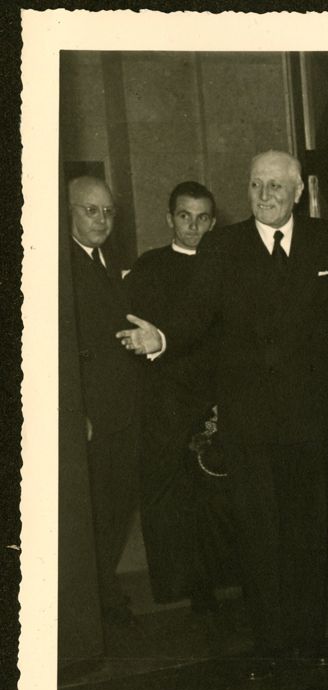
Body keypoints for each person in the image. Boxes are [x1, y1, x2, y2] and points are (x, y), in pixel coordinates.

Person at [117, 151, 328, 676]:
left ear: (299, 191)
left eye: (277, 185)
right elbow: (195, 317)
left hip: (313, 418)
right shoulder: (224, 246)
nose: (266, 194)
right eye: (256, 184)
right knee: (259, 535)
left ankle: (308, 639)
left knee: (306, 533)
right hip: (249, 422)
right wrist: (161, 337)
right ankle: (272, 646)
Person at [123, 181, 223, 613]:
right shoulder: (150, 266)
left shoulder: (226, 263)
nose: (193, 227)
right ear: (169, 218)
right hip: (166, 392)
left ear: (213, 222)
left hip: (215, 390)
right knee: (171, 492)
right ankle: (182, 584)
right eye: (185, 216)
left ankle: (220, 579)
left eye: (202, 218)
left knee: (216, 492)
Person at [67, 175, 139, 628]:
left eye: (108, 211)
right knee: (91, 511)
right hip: (90, 412)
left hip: (120, 408)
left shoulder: (108, 260)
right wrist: (79, 411)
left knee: (116, 503)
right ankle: (93, 600)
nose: (102, 220)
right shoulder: (60, 265)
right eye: (91, 210)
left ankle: (102, 587)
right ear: (69, 212)